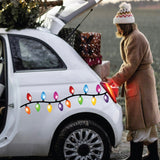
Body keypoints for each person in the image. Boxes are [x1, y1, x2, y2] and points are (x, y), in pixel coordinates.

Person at [107, 2, 160, 160]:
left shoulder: (134, 39)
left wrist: (113, 82)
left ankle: (135, 157)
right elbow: (129, 64)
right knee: (147, 123)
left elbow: (130, 66)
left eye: (119, 26)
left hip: (140, 84)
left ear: (124, 25)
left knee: (140, 122)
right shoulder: (133, 37)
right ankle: (153, 155)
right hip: (141, 82)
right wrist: (116, 78)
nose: (118, 29)